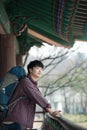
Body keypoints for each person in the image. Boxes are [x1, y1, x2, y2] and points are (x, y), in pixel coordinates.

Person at [3, 60, 61, 130]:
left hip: (16, 119)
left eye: (41, 69)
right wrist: (51, 111)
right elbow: (38, 97)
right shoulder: (25, 82)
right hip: (13, 120)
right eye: (37, 68)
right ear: (30, 70)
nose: (40, 71)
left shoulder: (31, 83)